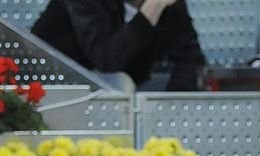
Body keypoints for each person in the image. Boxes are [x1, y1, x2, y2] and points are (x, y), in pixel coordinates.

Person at [31, 0, 206, 92]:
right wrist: (150, 10)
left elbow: (190, 58)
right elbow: (106, 60)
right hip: (51, 87)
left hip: (115, 91)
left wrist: (172, 107)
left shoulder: (167, 3)